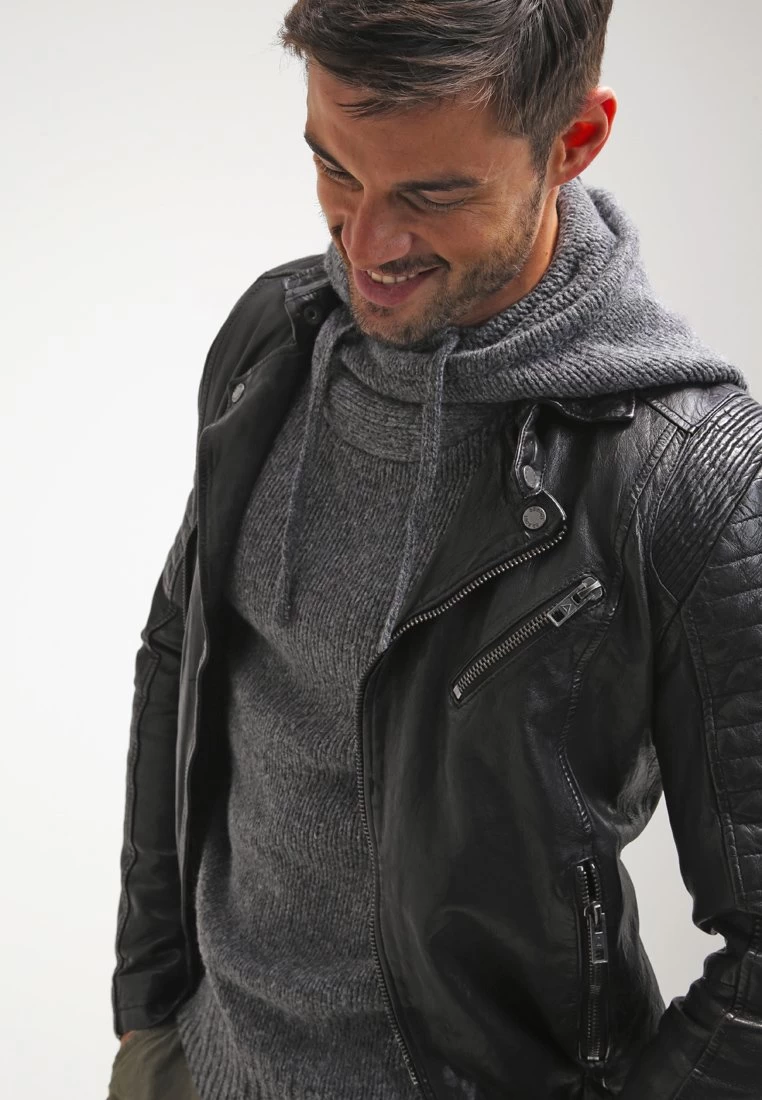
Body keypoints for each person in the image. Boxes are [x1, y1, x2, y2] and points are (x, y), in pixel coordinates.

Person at [107, 2, 762, 1098]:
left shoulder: (687, 476)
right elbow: (180, 657)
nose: (364, 245)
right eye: (335, 170)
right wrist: (148, 1010)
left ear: (574, 141)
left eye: (432, 195)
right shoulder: (272, 339)